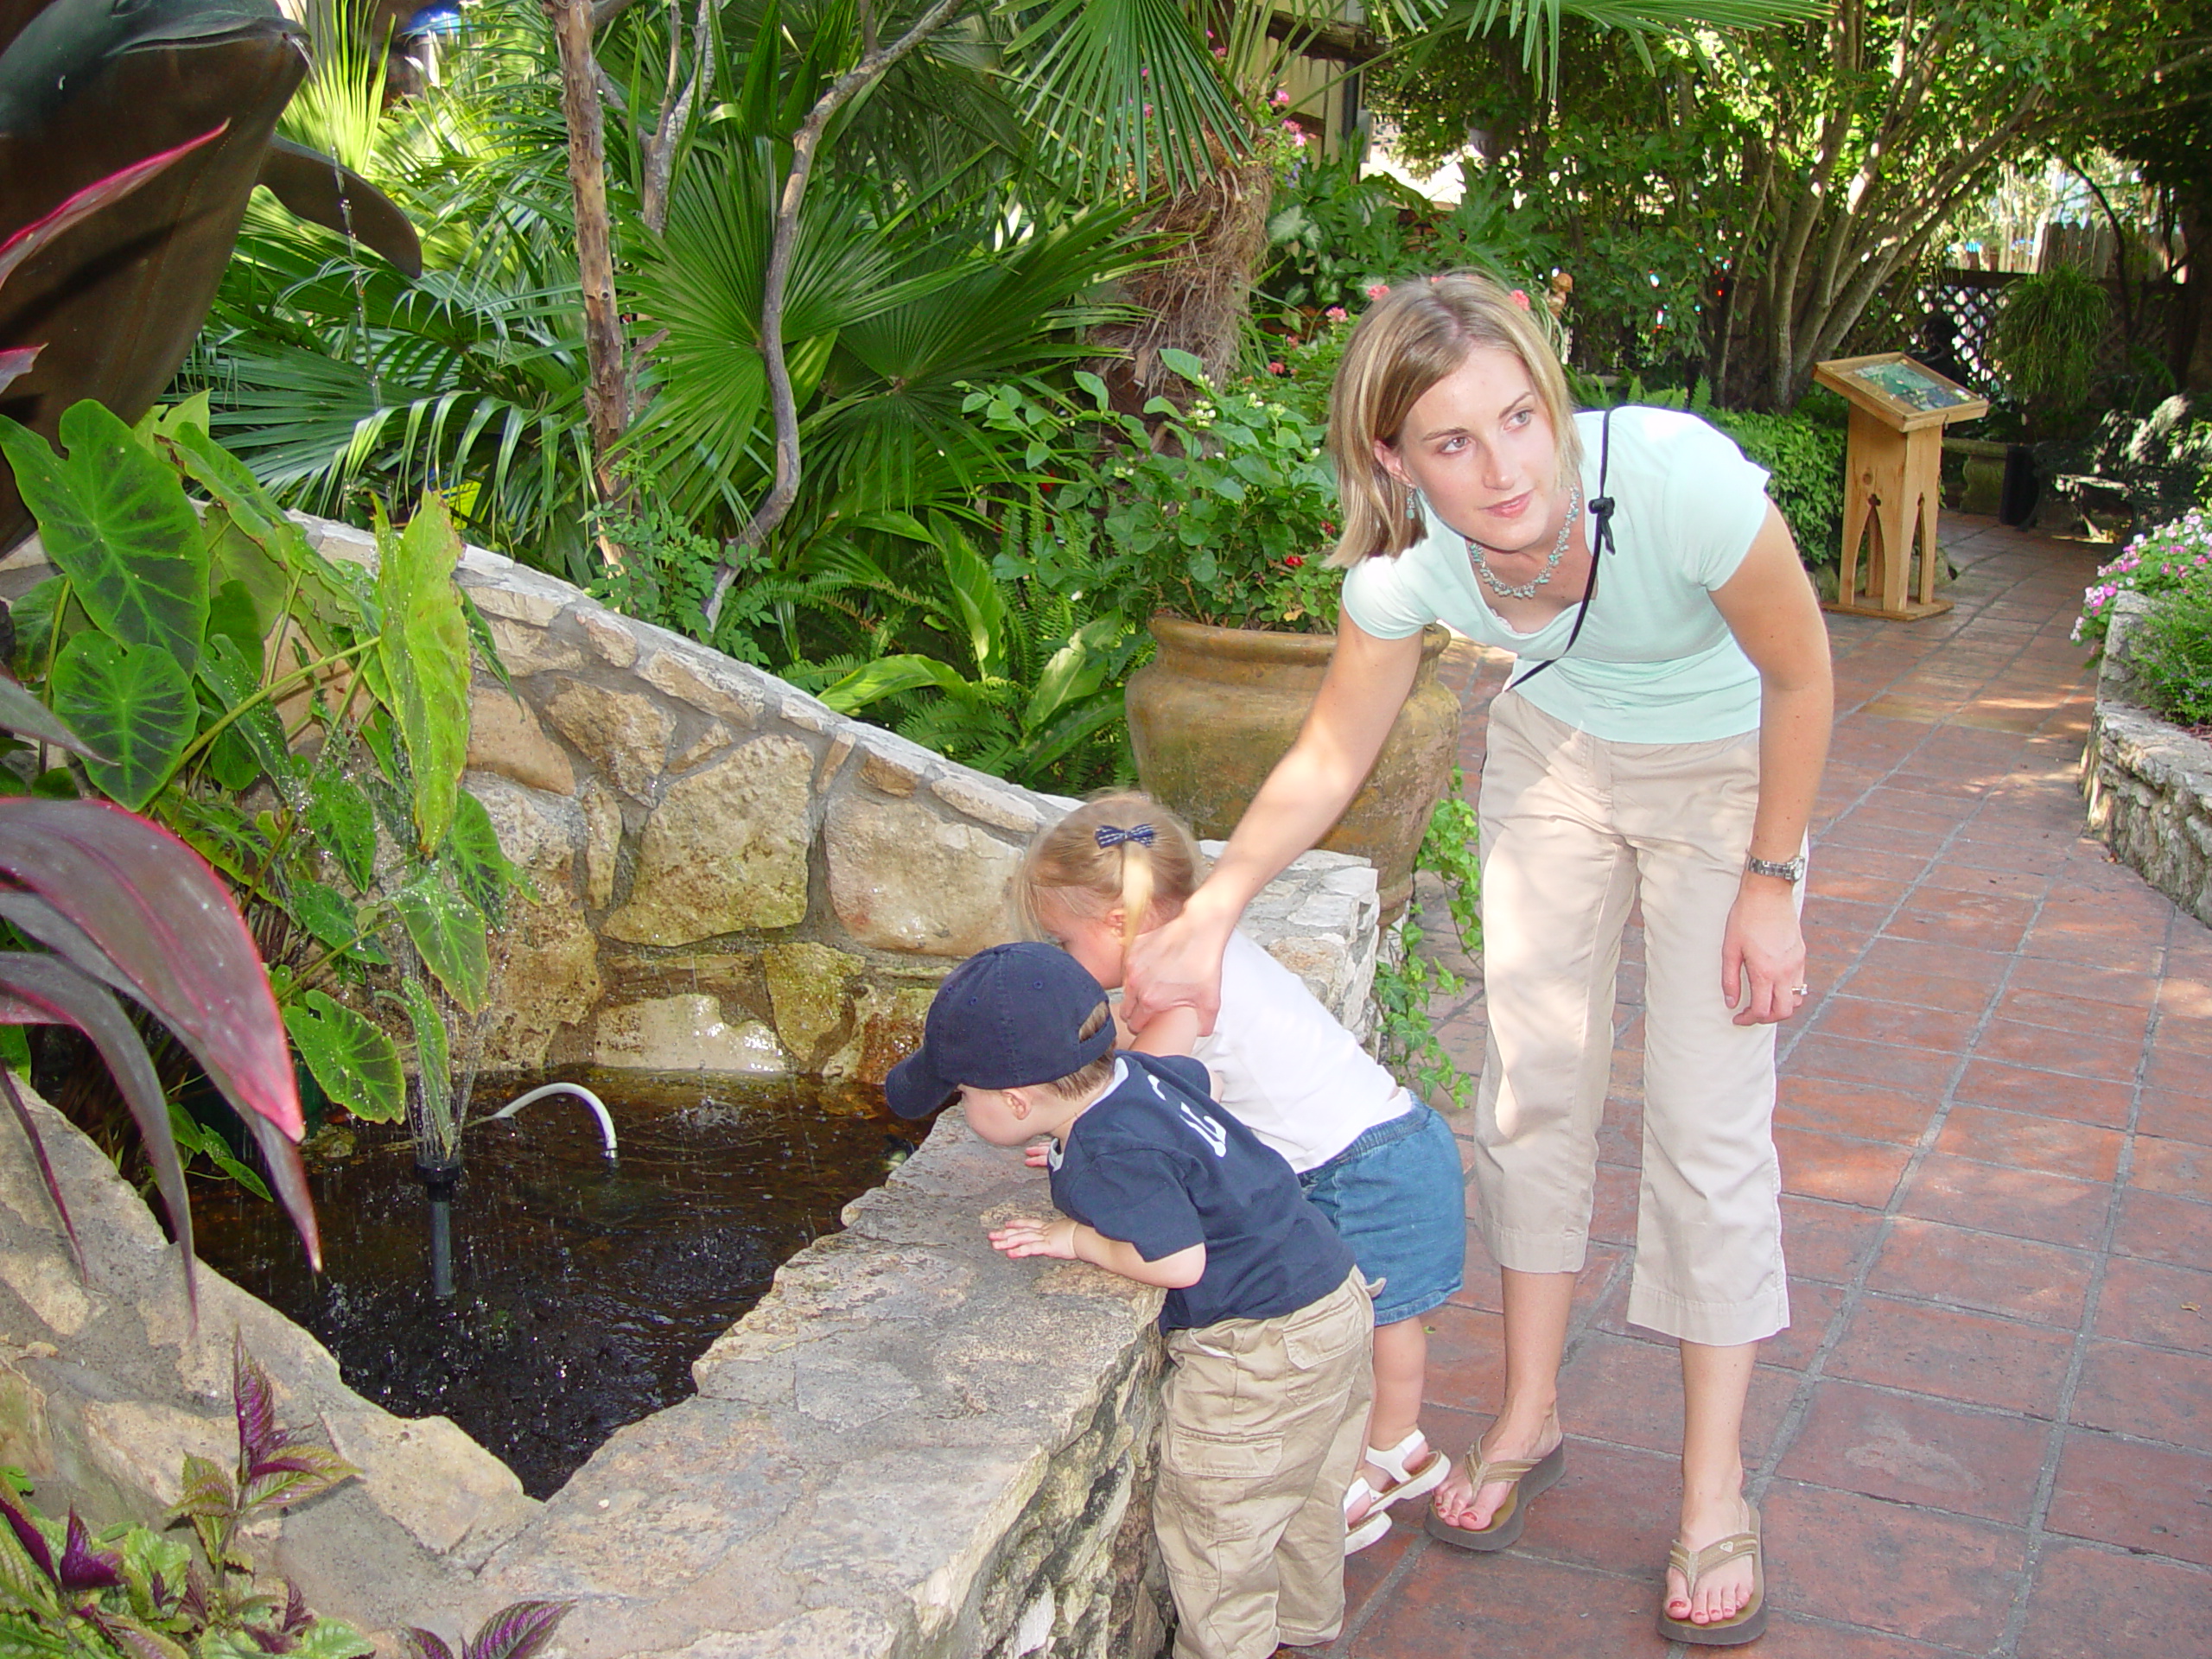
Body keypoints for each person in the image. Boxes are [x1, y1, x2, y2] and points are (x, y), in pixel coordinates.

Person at [1122, 271, 1834, 1647]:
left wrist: (1772, 883)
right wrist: (1211, 909)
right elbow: (1334, 749)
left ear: (1552, 396)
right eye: (1453, 442)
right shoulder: (1407, 572)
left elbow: (1801, 677)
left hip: (1726, 777)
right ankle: (1527, 1408)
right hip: (1557, 761)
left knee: (1705, 1124)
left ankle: (1711, 1487)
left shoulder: (1680, 478)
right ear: (1394, 457)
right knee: (1530, 1098)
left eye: (1520, 418)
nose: (1505, 469)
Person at [886, 941, 1376, 1659]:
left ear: (1017, 1100)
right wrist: (1063, 1137)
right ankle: (1303, 1627)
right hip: (1330, 1293)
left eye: (963, 1096)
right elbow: (1192, 1075)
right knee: (1302, 1495)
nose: (960, 1109)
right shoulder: (1133, 1075)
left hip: (1260, 1352)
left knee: (1218, 1527)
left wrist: (1076, 1238)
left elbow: (1177, 1262)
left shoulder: (1108, 1157)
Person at [1017, 791, 1465, 1554]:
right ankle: (1398, 1443)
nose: (1061, 958)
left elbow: (1146, 1098)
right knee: (1390, 1322)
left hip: (1353, 1174)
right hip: (1400, 1140)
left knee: (1338, 1339)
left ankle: (1347, 1488)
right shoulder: (1212, 944)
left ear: (1119, 926)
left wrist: (1071, 1125)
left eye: (1062, 940)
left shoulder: (1180, 991)